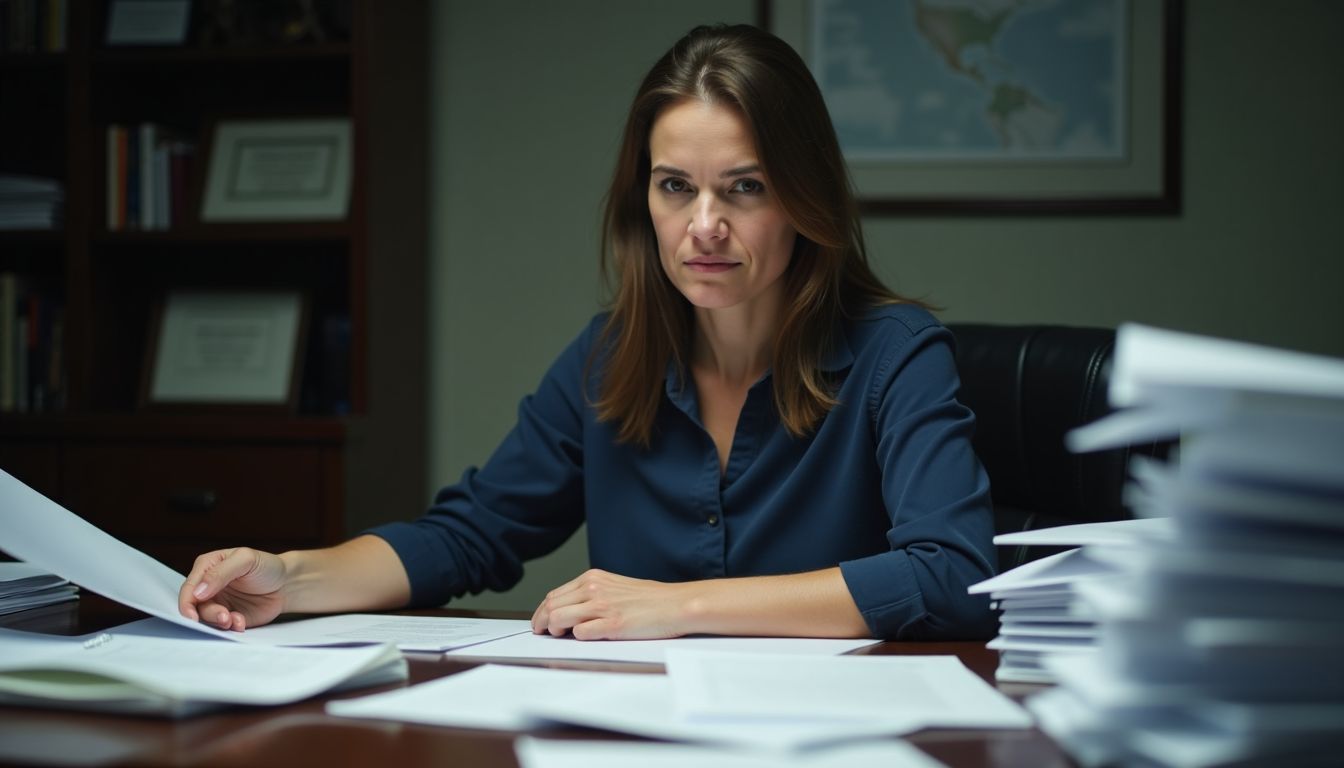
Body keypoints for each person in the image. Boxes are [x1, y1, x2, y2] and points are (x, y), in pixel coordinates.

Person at [179, 23, 998, 642]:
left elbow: (952, 575)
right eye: (676, 186)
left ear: (803, 199)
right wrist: (290, 575)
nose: (703, 226)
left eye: (744, 188)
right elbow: (468, 536)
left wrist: (680, 607)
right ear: (643, 199)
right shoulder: (609, 357)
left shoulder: (898, 353)